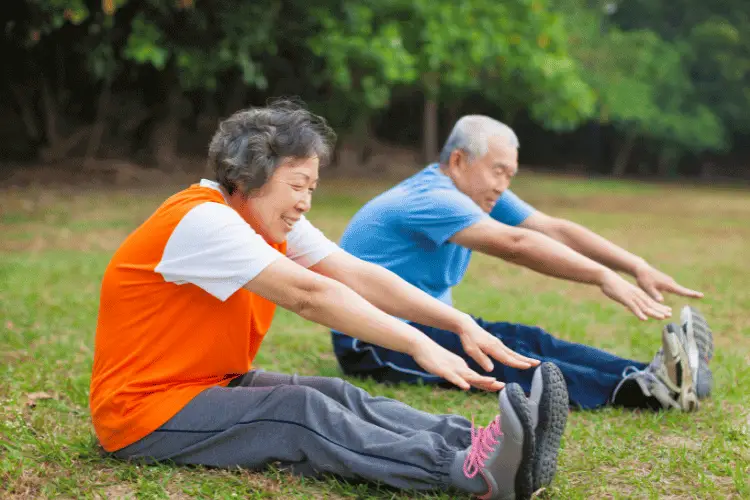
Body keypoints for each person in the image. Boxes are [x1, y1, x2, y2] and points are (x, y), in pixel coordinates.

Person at [88, 101, 571, 500]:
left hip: (205, 384)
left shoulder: (267, 219)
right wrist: (415, 343)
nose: (305, 202)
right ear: (251, 176)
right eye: (297, 185)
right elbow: (309, 294)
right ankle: (471, 471)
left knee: (335, 394)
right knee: (298, 411)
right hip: (143, 415)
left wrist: (456, 322)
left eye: (311, 188)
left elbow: (355, 274)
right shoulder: (203, 220)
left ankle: (483, 443)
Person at [332, 114, 715, 413]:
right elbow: (516, 244)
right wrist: (600, 276)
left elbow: (553, 229)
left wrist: (635, 265)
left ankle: (655, 373)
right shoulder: (432, 198)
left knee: (529, 340)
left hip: (427, 323)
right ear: (459, 160)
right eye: (497, 170)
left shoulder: (474, 192)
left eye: (510, 175)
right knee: (509, 357)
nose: (503, 184)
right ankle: (642, 391)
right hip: (374, 342)